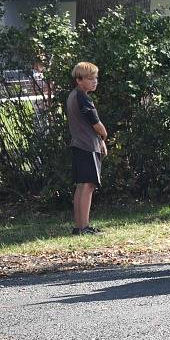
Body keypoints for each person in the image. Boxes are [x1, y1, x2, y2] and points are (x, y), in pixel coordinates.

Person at [66, 62, 108, 235]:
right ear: (79, 80)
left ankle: (80, 226)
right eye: (90, 78)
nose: (94, 81)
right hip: (87, 146)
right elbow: (95, 124)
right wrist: (104, 135)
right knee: (88, 186)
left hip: (80, 144)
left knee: (82, 186)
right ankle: (84, 227)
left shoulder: (73, 95)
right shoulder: (82, 97)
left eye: (95, 78)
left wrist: (100, 141)